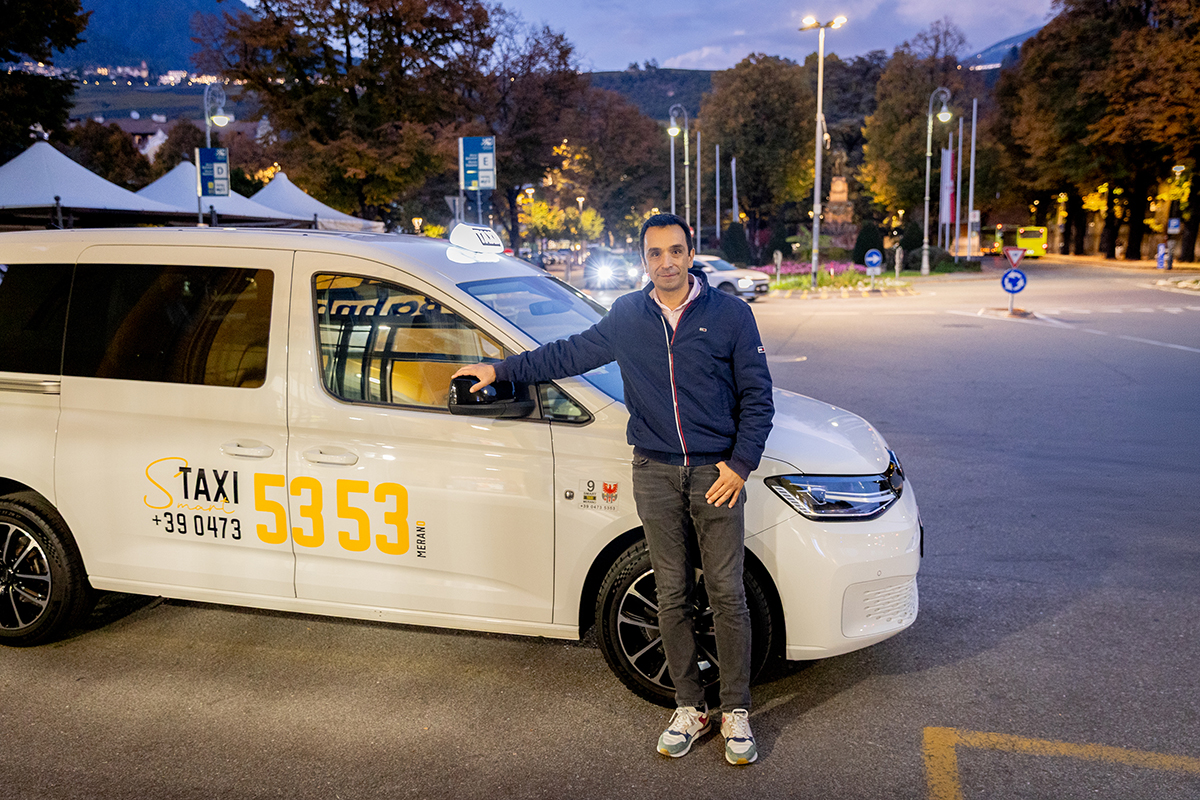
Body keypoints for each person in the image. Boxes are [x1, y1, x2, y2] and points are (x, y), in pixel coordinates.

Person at [451, 213, 774, 765]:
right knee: (671, 592)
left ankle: (736, 710)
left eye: (676, 251)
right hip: (653, 470)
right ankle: (690, 707)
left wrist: (740, 465)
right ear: (643, 259)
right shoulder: (628, 315)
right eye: (655, 253)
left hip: (715, 476)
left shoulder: (730, 315)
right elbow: (566, 354)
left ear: (690, 253)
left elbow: (757, 396)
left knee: (726, 593)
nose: (666, 262)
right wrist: (500, 370)